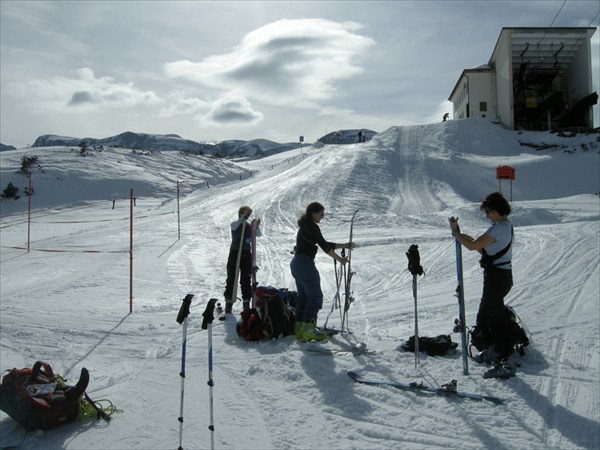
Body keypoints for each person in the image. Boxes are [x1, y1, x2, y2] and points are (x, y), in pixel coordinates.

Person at [448, 192, 515, 378]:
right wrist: (460, 234)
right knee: (484, 315)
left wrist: (456, 233)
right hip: (500, 276)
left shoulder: (499, 229)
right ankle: (492, 350)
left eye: (488, 212)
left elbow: (473, 246)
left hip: (497, 278)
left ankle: (505, 359)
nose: (487, 216)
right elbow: (480, 247)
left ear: (497, 210)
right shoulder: (502, 226)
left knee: (495, 319)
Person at [290, 202, 355, 342]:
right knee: (315, 297)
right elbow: (324, 246)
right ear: (313, 213)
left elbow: (323, 243)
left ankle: (300, 328)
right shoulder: (312, 226)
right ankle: (308, 329)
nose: (322, 217)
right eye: (321, 214)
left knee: (304, 297)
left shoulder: (305, 227)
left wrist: (345, 246)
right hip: (305, 263)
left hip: (296, 263)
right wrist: (340, 259)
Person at [224, 206, 261, 314]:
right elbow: (234, 227)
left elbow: (258, 235)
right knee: (231, 277)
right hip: (234, 253)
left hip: (245, 254)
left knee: (245, 278)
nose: (246, 216)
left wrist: (256, 227)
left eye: (248, 214)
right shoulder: (235, 224)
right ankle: (229, 301)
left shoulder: (250, 227)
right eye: (244, 213)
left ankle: (246, 301)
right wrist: (242, 218)